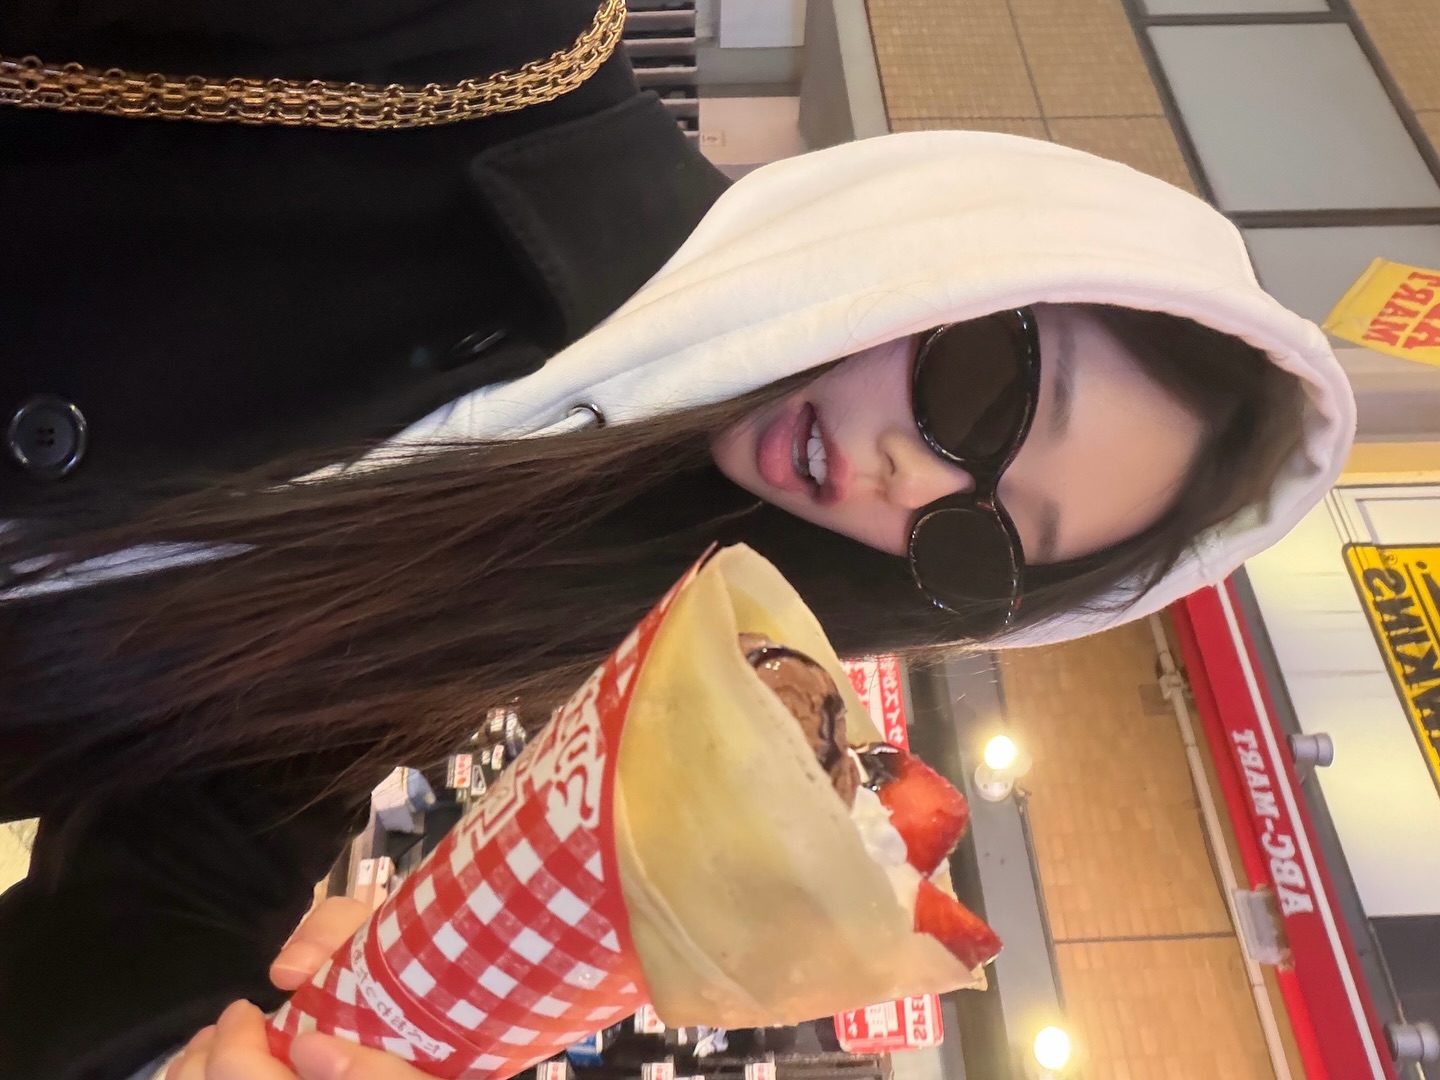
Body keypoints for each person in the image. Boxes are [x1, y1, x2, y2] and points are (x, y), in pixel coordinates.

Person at [0, 2, 1356, 1078]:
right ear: (955, 240)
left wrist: (198, 1049)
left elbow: (198, 849)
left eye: (978, 545)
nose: (907, 485)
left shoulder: (530, 589)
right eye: (984, 393)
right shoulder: (479, 48)